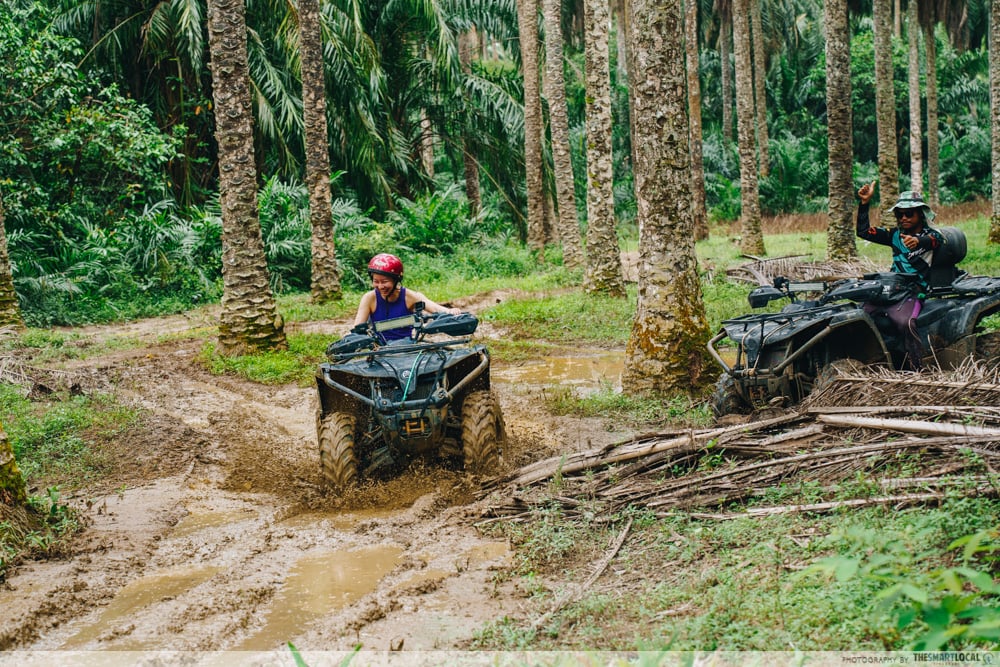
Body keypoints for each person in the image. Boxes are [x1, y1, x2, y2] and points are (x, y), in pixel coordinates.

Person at [856, 183, 944, 370]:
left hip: (914, 291)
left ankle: (918, 368)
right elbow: (863, 232)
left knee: (907, 324)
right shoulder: (894, 235)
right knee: (860, 315)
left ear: (920, 214)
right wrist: (864, 204)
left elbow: (936, 240)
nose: (904, 218)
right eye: (899, 214)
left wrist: (918, 241)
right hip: (892, 288)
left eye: (909, 214)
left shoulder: (932, 235)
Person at [353, 253, 462, 342]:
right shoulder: (369, 298)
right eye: (376, 281)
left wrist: (450, 312)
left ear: (396, 280)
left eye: (385, 282)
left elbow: (435, 308)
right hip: (379, 349)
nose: (380, 286)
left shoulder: (410, 296)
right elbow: (357, 328)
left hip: (406, 345)